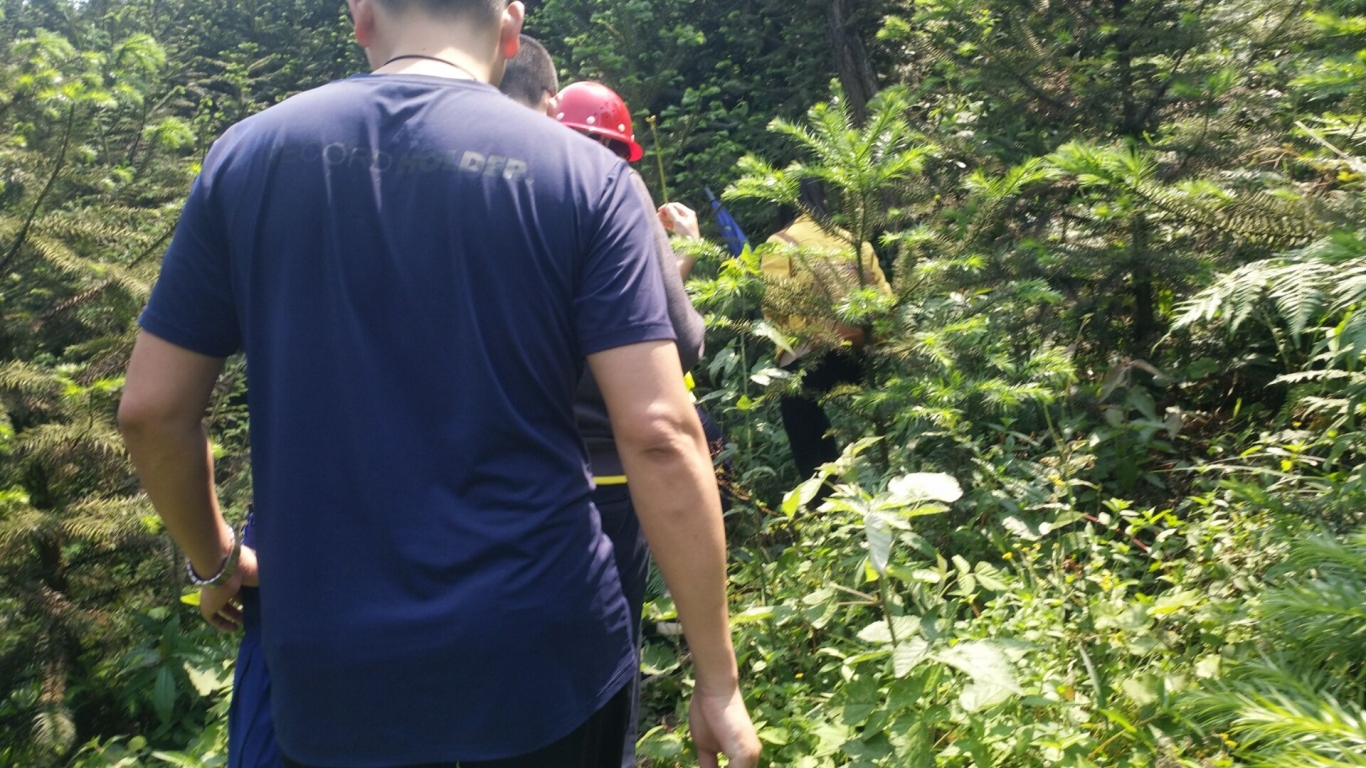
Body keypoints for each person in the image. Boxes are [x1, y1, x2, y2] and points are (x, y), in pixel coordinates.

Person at [117, 1, 760, 766]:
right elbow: (658, 433)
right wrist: (717, 678)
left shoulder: (248, 157)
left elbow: (153, 413)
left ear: (361, 15)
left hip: (336, 671)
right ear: (510, 25)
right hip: (544, 659)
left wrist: (217, 559)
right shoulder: (588, 177)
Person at [503, 42, 708, 768]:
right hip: (618, 477)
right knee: (611, 652)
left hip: (530, 475)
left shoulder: (509, 196)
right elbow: (677, 340)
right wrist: (680, 253)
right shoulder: (614, 194)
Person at [762, 178, 893, 480]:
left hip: (813, 359)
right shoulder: (857, 243)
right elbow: (887, 302)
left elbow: (776, 306)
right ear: (824, 199)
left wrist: (810, 331)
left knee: (797, 409)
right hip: (864, 356)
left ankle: (822, 493)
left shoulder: (781, 243)